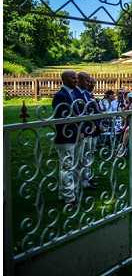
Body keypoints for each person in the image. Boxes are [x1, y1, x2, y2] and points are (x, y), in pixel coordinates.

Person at [52, 70, 80, 203]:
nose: (76, 80)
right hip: (65, 136)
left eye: (76, 78)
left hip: (73, 135)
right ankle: (69, 198)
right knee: (67, 167)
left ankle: (63, 194)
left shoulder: (73, 93)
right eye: (73, 78)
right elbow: (62, 117)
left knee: (68, 166)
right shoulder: (60, 95)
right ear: (65, 79)